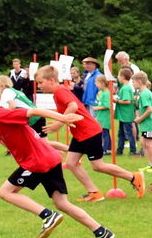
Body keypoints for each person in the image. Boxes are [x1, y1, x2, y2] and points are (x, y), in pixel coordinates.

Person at [0, 79, 115, 238]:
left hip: (36, 162)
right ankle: (101, 232)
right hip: (48, 158)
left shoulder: (2, 114)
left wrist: (62, 118)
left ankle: (47, 216)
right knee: (62, 203)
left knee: (5, 192)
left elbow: (33, 111)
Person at [35, 65, 146, 202]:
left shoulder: (60, 91)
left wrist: (59, 123)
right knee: (71, 163)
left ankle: (134, 177)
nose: (39, 86)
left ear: (51, 80)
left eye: (41, 82)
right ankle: (94, 192)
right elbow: (72, 108)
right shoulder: (59, 91)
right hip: (80, 133)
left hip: (89, 132)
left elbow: (73, 106)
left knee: (98, 166)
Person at [132, 72, 152, 172]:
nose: (133, 84)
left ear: (139, 82)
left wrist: (140, 118)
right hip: (146, 124)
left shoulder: (144, 94)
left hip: (150, 124)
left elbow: (149, 110)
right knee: (144, 143)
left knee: (149, 144)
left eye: (133, 82)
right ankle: (151, 164)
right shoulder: (142, 93)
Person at [113, 67, 139, 156]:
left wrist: (116, 100)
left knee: (128, 133)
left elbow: (127, 101)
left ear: (123, 77)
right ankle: (119, 150)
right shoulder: (125, 87)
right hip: (123, 115)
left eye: (119, 76)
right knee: (121, 134)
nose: (118, 78)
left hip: (126, 115)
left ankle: (133, 150)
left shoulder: (126, 88)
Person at [94, 75, 113, 155]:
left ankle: (106, 149)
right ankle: (106, 148)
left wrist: (97, 108)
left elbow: (106, 105)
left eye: (97, 82)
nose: (95, 84)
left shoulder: (106, 93)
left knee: (105, 133)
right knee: (103, 133)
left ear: (102, 83)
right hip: (100, 117)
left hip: (105, 117)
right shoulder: (101, 93)